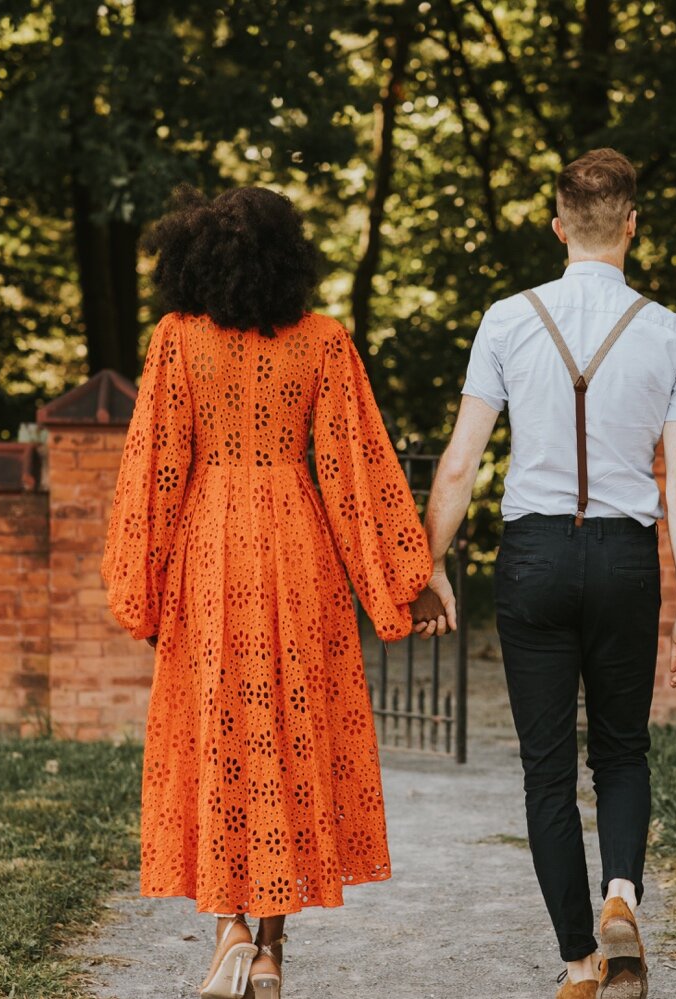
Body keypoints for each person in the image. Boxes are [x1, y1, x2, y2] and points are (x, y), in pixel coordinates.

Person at [101, 185, 433, 999]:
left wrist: (141, 587)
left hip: (209, 549)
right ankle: (274, 952)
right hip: (297, 547)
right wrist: (404, 578)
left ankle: (230, 930)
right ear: (291, 260)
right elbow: (359, 473)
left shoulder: (178, 340)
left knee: (218, 728)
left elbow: (155, 471)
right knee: (286, 734)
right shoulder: (322, 343)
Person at [418, 148, 676, 999]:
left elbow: (458, 466)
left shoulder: (508, 320)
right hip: (625, 557)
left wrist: (429, 563)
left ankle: (582, 960)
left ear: (557, 226)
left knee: (545, 766)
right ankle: (623, 892)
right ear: (631, 225)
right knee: (620, 750)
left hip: (535, 556)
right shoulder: (671, 333)